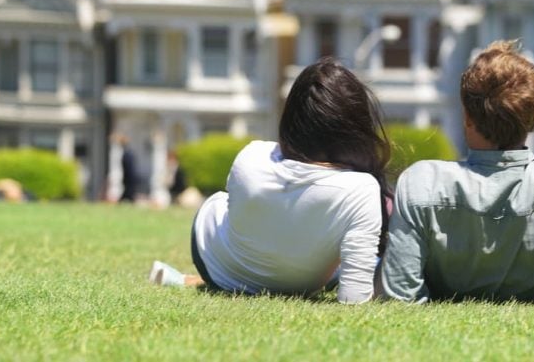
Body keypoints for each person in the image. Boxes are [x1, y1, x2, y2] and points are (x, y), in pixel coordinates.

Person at [380, 40, 534, 307]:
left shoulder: (421, 181)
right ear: (533, 118)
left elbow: (399, 296)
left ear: (467, 116)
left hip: (446, 283)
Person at [151, 58, 392, 303]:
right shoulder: (362, 188)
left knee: (215, 204)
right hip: (304, 281)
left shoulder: (252, 155)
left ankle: (196, 280)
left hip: (223, 268)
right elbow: (354, 298)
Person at [118, 135, 140, 203]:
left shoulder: (127, 154)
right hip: (130, 179)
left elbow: (129, 169)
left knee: (129, 194)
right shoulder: (129, 152)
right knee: (129, 195)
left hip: (130, 179)